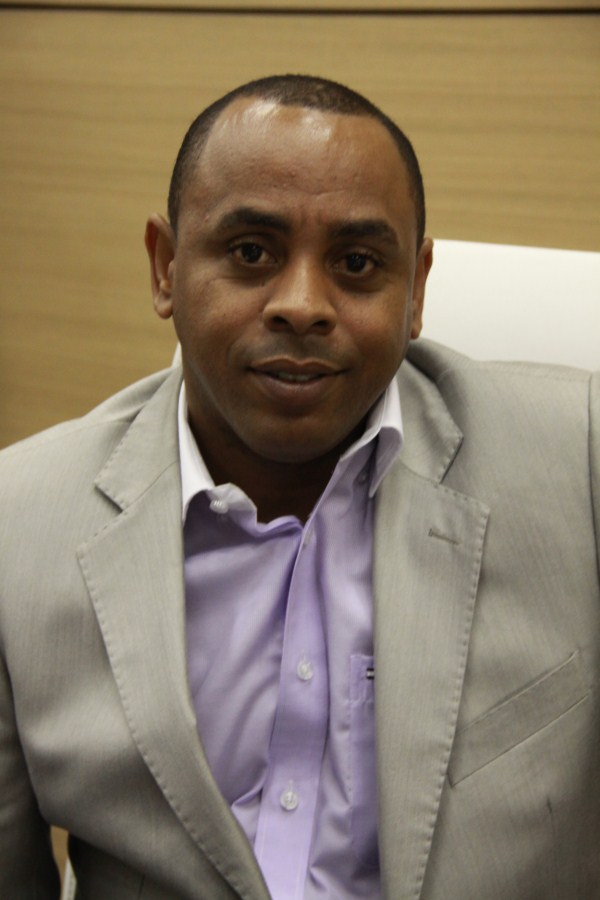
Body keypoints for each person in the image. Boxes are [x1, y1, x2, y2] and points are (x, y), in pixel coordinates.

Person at [0, 75, 598, 900]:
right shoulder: (17, 525)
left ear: (417, 289)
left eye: (357, 264)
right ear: (166, 266)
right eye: (251, 252)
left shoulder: (581, 465)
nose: (302, 305)